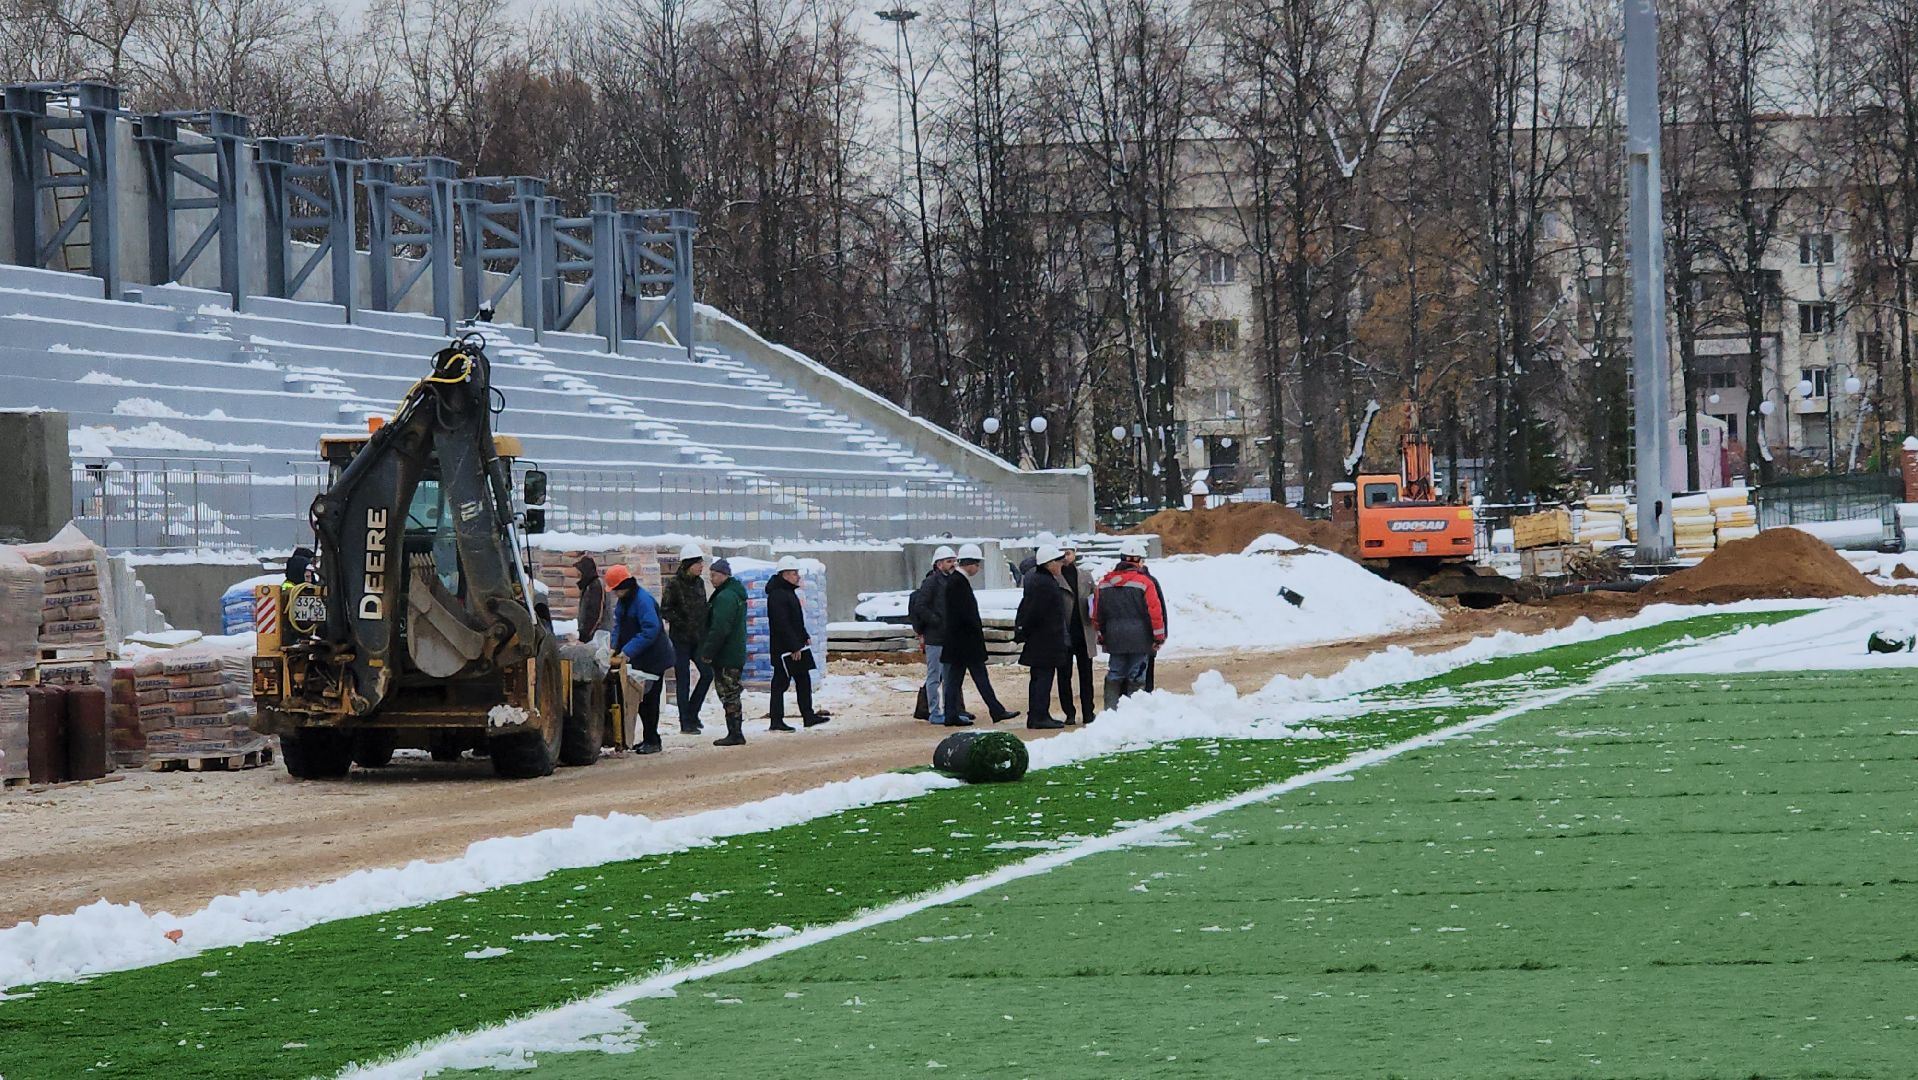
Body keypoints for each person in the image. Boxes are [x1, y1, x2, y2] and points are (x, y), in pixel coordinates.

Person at [942, 543, 1019, 727]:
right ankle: (994, 710)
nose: (978, 569)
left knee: (956, 679)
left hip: (960, 642)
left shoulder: (956, 581)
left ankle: (953, 713)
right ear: (970, 564)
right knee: (974, 677)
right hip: (965, 642)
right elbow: (965, 614)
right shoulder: (958, 583)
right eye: (977, 564)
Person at [607, 564, 676, 754]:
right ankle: (648, 738)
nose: (615, 593)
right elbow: (618, 625)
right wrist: (614, 647)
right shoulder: (624, 602)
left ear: (624, 586)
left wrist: (627, 651)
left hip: (654, 658)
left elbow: (650, 630)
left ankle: (653, 740)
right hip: (639, 658)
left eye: (616, 589)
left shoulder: (643, 601)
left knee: (650, 700)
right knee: (640, 700)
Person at [1092, 538, 1166, 707]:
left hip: (1114, 638)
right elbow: (1155, 612)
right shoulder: (1145, 583)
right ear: (1139, 561)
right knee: (1136, 676)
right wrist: (1158, 637)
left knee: (1115, 674)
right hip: (1140, 639)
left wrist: (1102, 634)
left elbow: (1097, 613)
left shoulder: (1104, 584)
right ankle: (1134, 712)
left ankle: (1110, 711)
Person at [766, 555, 829, 731]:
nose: (798, 577)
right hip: (785, 650)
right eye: (794, 573)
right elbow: (782, 623)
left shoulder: (788, 593)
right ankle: (776, 720)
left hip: (795, 646)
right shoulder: (778, 595)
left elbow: (795, 620)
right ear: (784, 574)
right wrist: (794, 646)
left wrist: (803, 636)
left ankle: (808, 715)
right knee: (780, 683)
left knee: (803, 680)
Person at [1016, 544, 1072, 730]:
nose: (1061, 565)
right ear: (1049, 563)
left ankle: (1038, 715)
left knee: (1039, 679)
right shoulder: (1045, 584)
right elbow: (1035, 612)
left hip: (1040, 641)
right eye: (1058, 561)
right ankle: (1039, 716)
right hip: (1045, 641)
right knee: (1043, 680)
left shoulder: (1039, 580)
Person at [660, 543, 712, 734]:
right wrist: (683, 622)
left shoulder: (699, 583)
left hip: (698, 640)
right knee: (683, 680)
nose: (701, 566)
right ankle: (685, 722)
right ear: (688, 564)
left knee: (707, 674)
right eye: (698, 563)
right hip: (680, 640)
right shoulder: (674, 585)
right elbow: (664, 610)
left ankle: (693, 712)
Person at [699, 557, 749, 747]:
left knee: (729, 692)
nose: (711, 579)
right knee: (731, 691)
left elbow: (719, 628)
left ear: (723, 575)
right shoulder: (731, 594)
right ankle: (735, 731)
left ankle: (735, 733)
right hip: (732, 652)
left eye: (714, 575)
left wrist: (708, 651)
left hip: (727, 654)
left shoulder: (726, 597)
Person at [908, 545, 957, 725]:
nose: (952, 564)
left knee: (949, 677)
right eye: (948, 561)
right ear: (938, 564)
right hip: (935, 637)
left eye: (953, 561)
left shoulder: (952, 582)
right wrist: (936, 621)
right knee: (934, 676)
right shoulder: (931, 583)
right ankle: (935, 712)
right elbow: (920, 606)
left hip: (949, 637)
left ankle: (951, 710)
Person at [1058, 539, 1098, 723]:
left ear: (1074, 554)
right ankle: (1069, 713)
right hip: (1064, 633)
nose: (1066, 557)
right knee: (1064, 675)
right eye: (1062, 553)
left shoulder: (1085, 575)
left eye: (1068, 553)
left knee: (1086, 675)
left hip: (1083, 631)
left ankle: (1088, 711)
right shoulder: (1055, 577)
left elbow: (1095, 597)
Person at [574, 555, 607, 641]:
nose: (578, 574)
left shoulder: (595, 586)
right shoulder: (588, 585)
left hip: (596, 636)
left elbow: (595, 613)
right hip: (591, 635)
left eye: (580, 571)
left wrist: (585, 635)